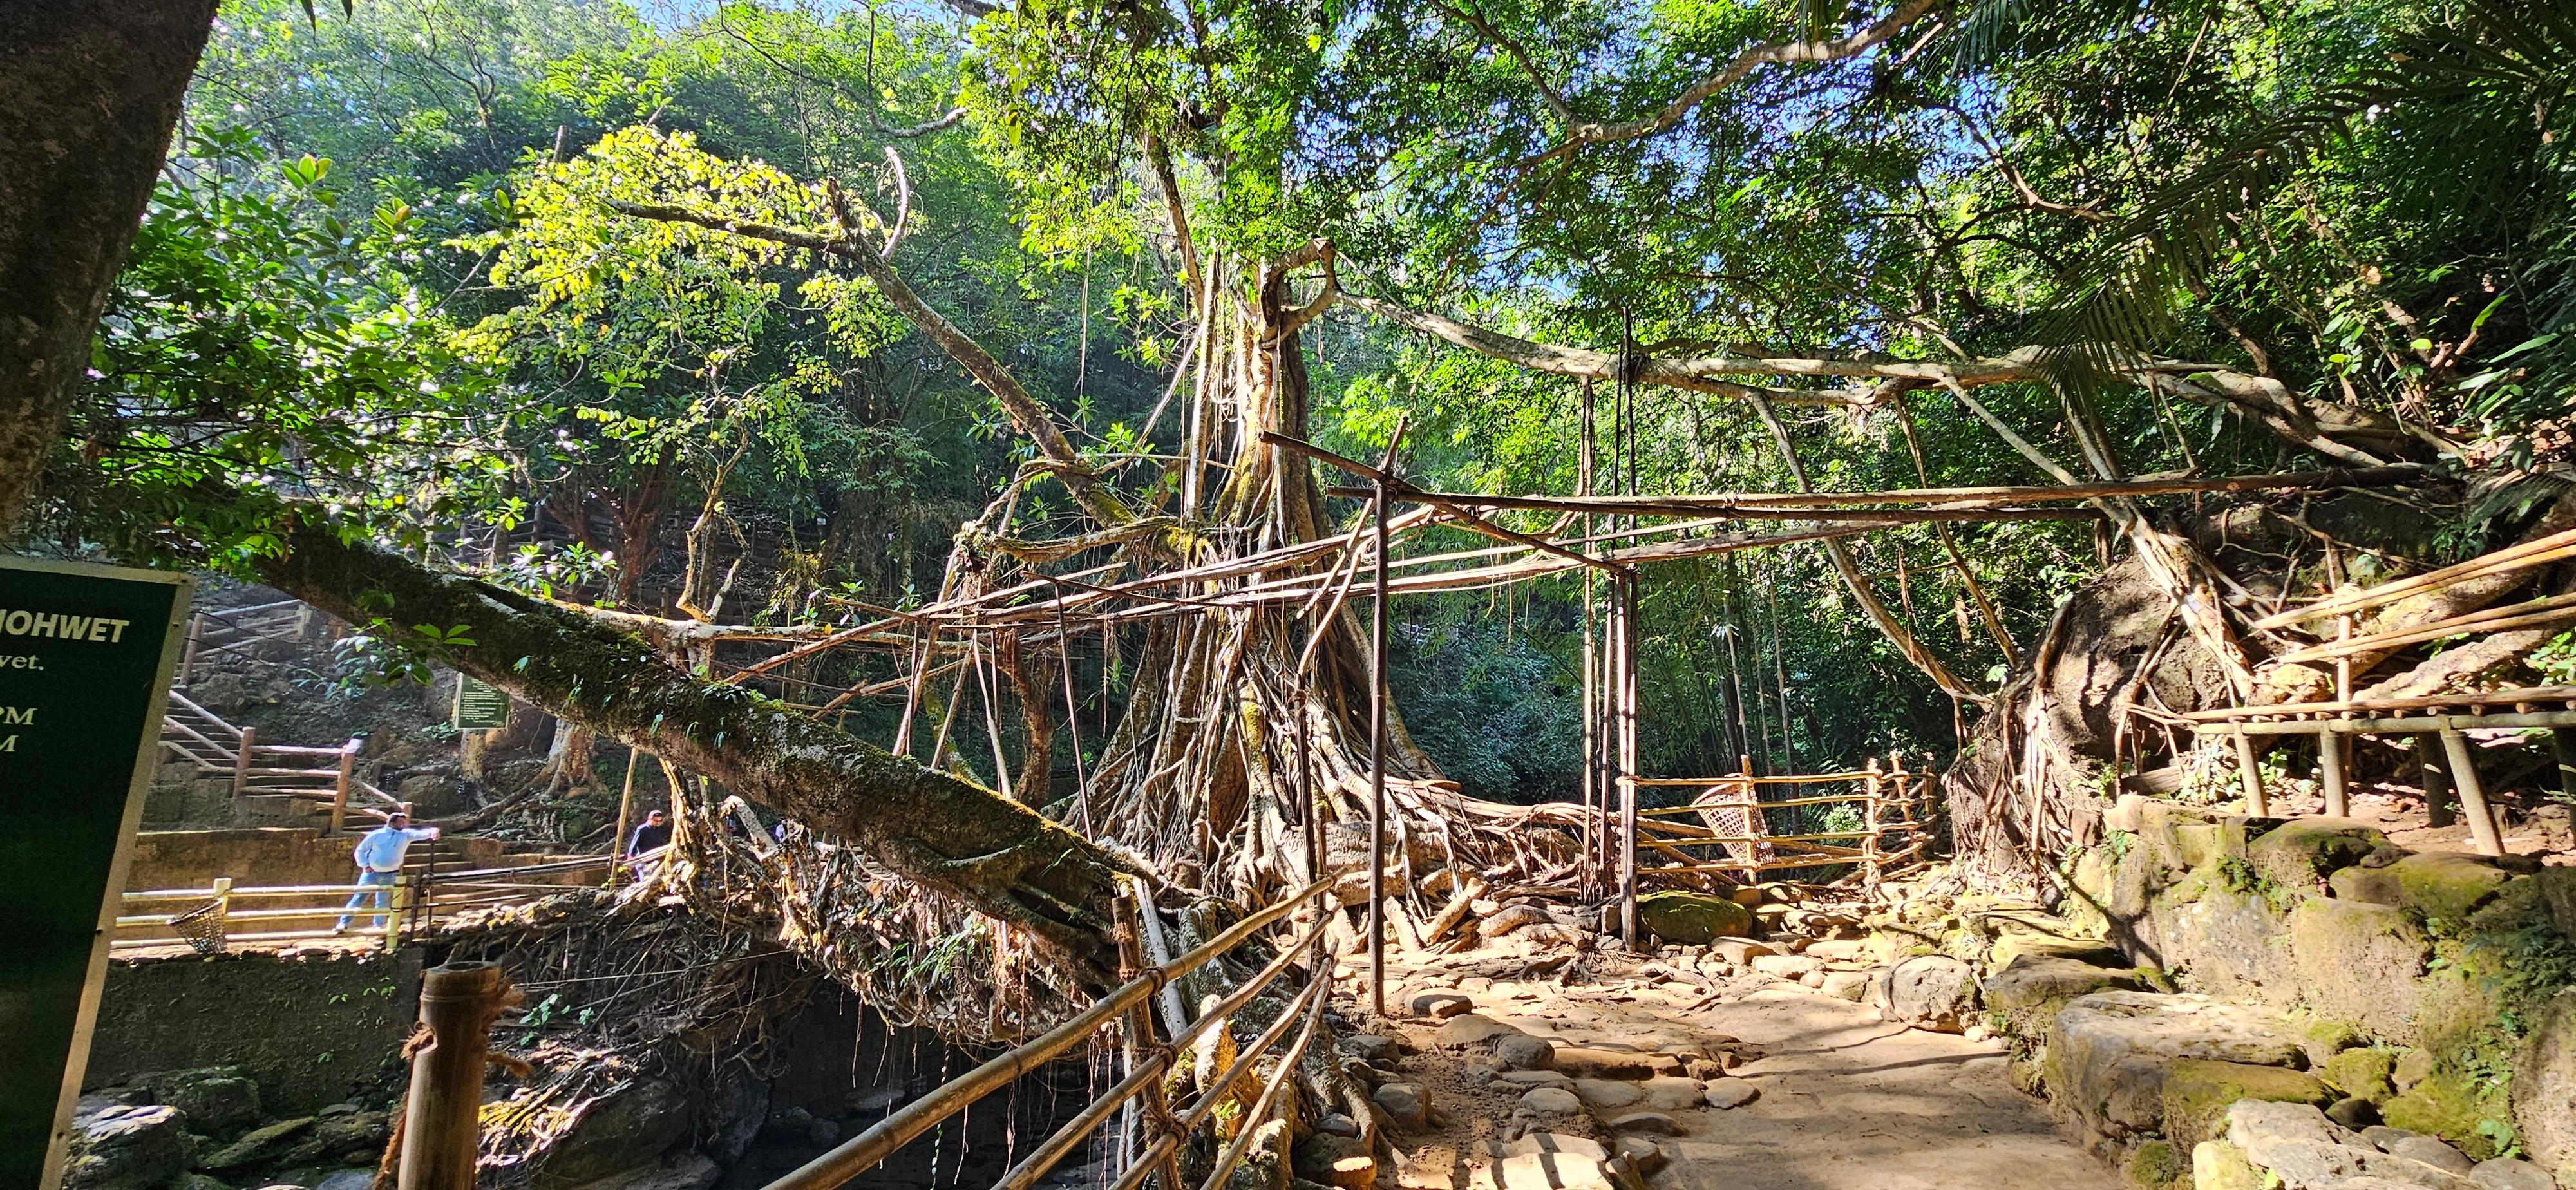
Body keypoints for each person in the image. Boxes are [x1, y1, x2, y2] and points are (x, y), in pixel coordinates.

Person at [333, 811, 440, 934]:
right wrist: (365, 865)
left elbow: (420, 834)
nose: (403, 825)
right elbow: (360, 850)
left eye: (404, 822)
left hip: (390, 874)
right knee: (358, 898)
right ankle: (344, 923)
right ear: (392, 823)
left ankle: (378, 926)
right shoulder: (377, 835)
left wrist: (433, 831)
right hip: (370, 874)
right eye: (400, 822)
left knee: (382, 901)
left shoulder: (406, 835)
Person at [625, 809, 672, 873]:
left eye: (660, 821)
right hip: (643, 860)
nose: (658, 823)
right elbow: (634, 844)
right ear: (650, 818)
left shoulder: (658, 830)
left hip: (655, 858)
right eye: (656, 821)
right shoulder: (642, 829)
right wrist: (630, 858)